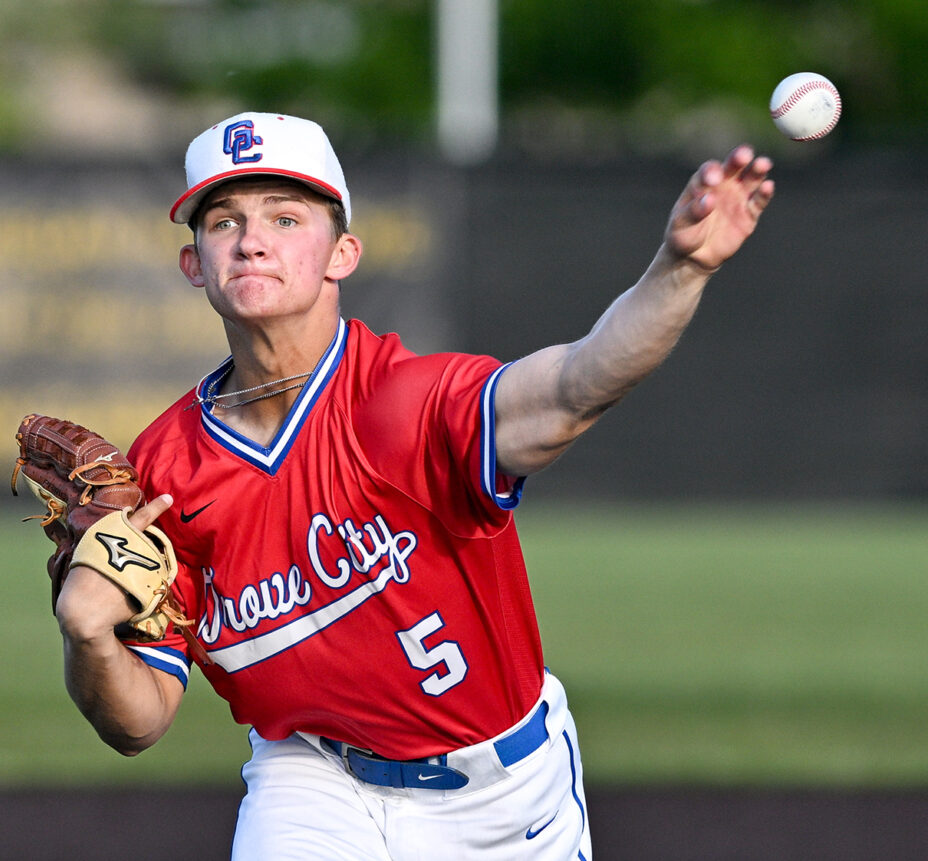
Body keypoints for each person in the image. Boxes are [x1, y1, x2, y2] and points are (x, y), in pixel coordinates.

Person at [54, 111, 774, 860]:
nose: (252, 239)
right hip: (315, 779)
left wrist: (681, 268)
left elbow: (575, 385)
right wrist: (88, 633)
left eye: (286, 215)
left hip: (505, 793)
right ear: (194, 262)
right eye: (224, 220)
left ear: (343, 253)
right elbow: (136, 722)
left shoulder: (407, 402)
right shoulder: (166, 467)